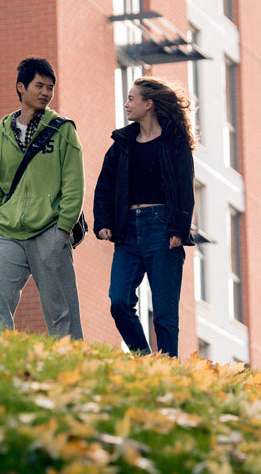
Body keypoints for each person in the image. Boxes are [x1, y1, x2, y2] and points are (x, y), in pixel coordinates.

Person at [0, 57, 85, 339]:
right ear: (21, 87)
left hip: (49, 231)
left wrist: (62, 228)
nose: (46, 92)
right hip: (6, 233)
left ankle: (73, 365)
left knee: (61, 310)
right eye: (39, 85)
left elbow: (74, 185)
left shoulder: (63, 130)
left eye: (50, 87)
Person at [93, 77, 195, 358]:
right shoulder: (122, 144)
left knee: (164, 313)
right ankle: (144, 358)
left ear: (148, 104)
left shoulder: (175, 143)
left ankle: (168, 369)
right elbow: (105, 186)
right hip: (128, 231)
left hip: (163, 229)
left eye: (131, 98)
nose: (127, 104)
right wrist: (103, 223)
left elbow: (185, 188)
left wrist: (179, 228)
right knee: (119, 301)